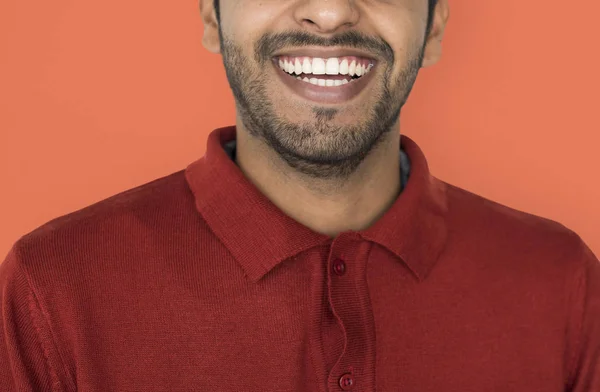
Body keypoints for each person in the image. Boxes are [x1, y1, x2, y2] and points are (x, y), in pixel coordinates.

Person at [1, 0, 598, 390]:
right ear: (211, 17)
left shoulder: (561, 282)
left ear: (435, 26)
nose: (332, 13)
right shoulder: (53, 287)